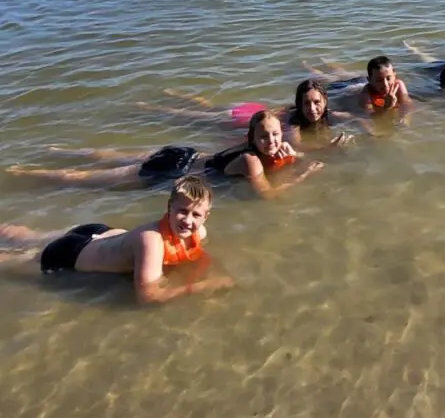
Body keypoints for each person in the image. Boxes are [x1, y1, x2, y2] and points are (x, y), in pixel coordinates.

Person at [0, 176, 234, 305]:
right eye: (182, 211)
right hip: (70, 254)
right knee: (10, 261)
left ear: (206, 216)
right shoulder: (151, 241)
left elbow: (189, 257)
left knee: (28, 236)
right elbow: (148, 297)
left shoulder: (199, 233)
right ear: (169, 208)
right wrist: (202, 286)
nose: (188, 220)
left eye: (196, 215)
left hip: (98, 233)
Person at [8, 111, 333, 198]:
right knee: (89, 181)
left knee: (111, 156)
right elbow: (268, 196)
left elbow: (280, 158)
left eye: (275, 134)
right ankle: (25, 173)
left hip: (184, 154)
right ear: (252, 138)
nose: (271, 141)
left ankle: (60, 150)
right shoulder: (251, 161)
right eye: (264, 136)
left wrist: (291, 154)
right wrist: (304, 172)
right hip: (172, 169)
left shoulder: (259, 151)